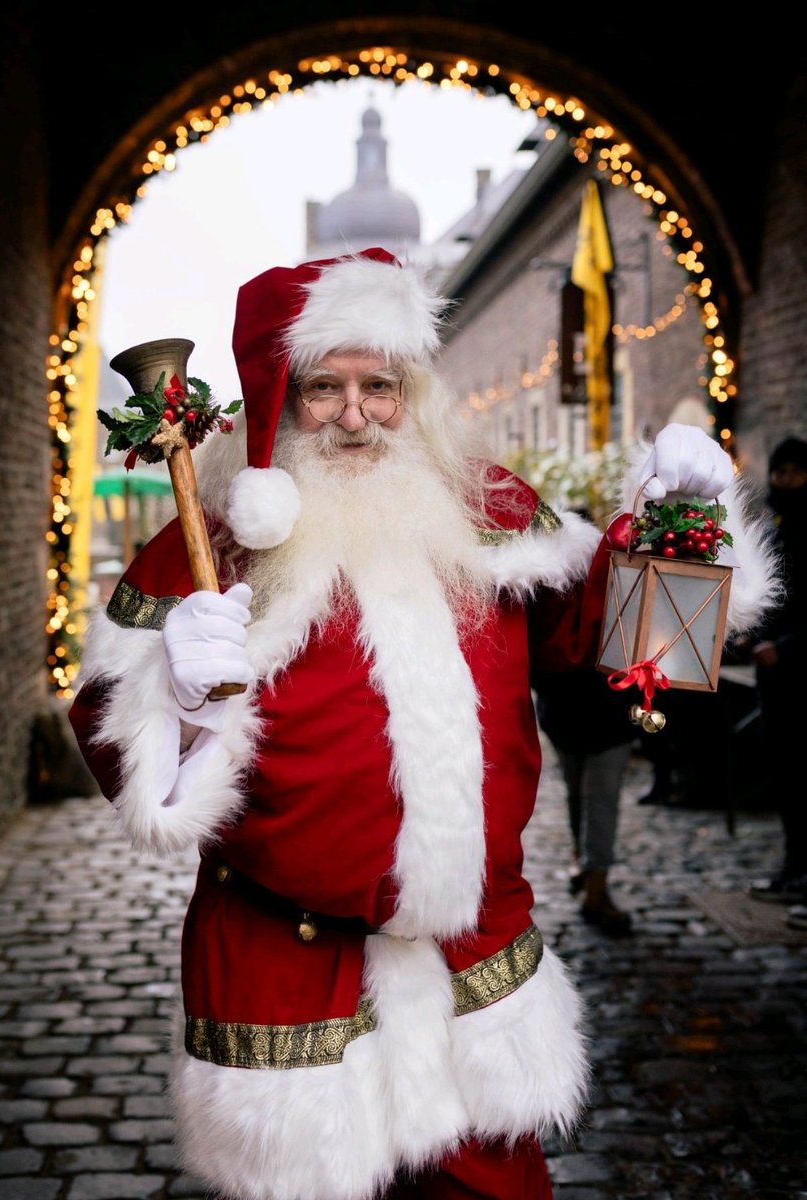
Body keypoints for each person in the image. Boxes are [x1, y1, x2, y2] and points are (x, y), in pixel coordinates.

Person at [69, 248, 776, 1200]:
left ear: (414, 389)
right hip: (288, 967)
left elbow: (642, 646)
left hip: (472, 962)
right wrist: (180, 702)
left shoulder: (489, 511)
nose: (356, 414)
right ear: (280, 393)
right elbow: (116, 738)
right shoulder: (207, 549)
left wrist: (681, 522)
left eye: (380, 385)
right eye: (325, 387)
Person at [741, 436, 807, 910]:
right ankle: (793, 866)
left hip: (800, 670)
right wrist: (750, 632)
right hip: (773, 675)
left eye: (794, 473)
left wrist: (782, 646)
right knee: (785, 772)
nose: (785, 480)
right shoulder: (773, 525)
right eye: (780, 472)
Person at [531, 664, 637, 936]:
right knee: (600, 800)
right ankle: (595, 891)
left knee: (578, 792)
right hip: (607, 703)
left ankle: (583, 862)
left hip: (561, 701)